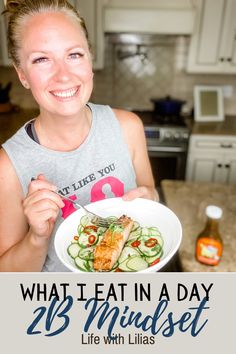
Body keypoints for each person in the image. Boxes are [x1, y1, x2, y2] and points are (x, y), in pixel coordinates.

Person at [0, 0, 158, 272]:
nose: (63, 76)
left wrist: (151, 200)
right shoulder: (8, 167)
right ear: (22, 74)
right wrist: (37, 237)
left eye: (74, 54)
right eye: (41, 59)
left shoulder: (128, 127)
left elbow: (151, 196)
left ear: (90, 58)